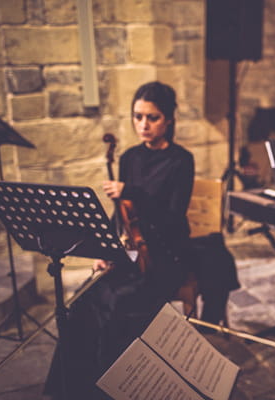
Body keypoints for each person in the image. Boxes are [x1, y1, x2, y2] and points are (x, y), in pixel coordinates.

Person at [45, 81, 195, 399]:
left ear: (168, 119)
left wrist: (132, 191)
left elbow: (174, 218)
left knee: (116, 306)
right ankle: (70, 392)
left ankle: (115, 390)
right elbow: (122, 216)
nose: (143, 124)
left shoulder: (182, 160)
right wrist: (108, 248)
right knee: (79, 305)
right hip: (130, 254)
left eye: (152, 117)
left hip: (167, 257)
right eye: (137, 116)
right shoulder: (128, 158)